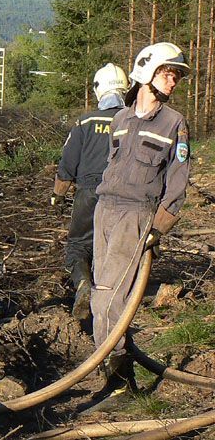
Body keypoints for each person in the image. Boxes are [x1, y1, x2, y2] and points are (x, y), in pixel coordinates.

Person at [89, 42, 191, 407]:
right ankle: (113, 373)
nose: (174, 80)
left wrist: (158, 227)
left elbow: (177, 183)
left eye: (177, 75)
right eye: (168, 72)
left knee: (112, 298)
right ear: (146, 72)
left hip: (136, 215)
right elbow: (111, 166)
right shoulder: (120, 120)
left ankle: (119, 385)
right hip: (106, 210)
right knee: (100, 294)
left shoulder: (174, 123)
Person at [52, 63, 128, 321]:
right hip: (125, 197)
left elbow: (67, 165)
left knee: (78, 245)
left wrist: (58, 195)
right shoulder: (133, 122)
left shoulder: (85, 121)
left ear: (99, 89)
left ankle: (83, 284)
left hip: (89, 192)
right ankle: (113, 298)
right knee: (116, 248)